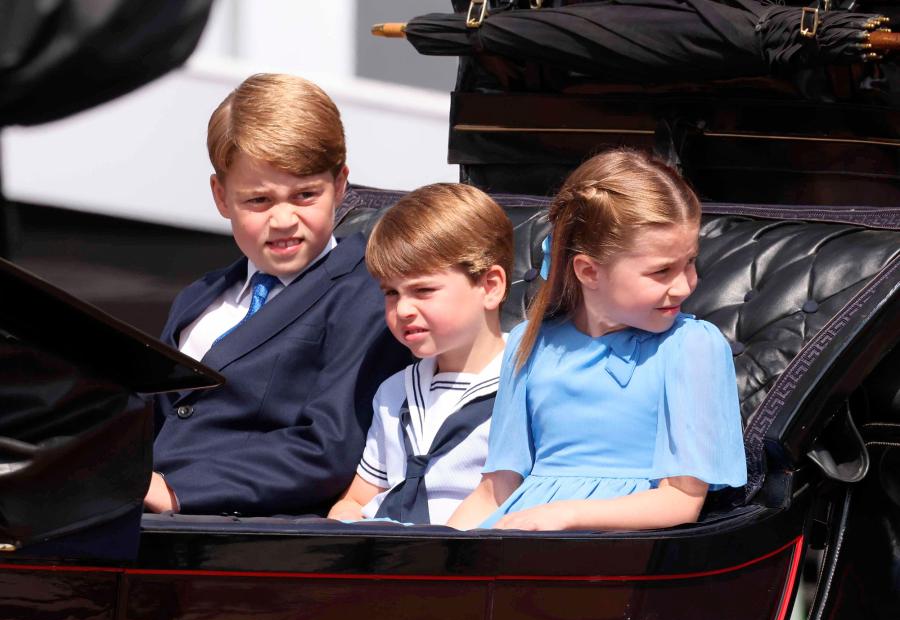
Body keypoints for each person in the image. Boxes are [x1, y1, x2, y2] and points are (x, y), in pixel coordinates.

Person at [145, 74, 408, 516]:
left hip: (247, 533)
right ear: (221, 196)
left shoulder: (370, 292)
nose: (284, 219)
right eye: (259, 201)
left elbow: (331, 445)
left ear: (341, 185)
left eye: (305, 195)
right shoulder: (199, 296)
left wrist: (176, 491)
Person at [448, 148, 746, 532]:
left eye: (689, 262)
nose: (686, 284)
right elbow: (495, 491)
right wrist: (442, 550)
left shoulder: (692, 346)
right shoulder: (529, 344)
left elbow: (682, 499)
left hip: (618, 553)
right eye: (662, 271)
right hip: (522, 542)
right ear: (589, 271)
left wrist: (565, 515)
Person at [328, 183, 511, 525]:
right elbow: (358, 498)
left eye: (423, 290)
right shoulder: (393, 392)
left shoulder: (524, 386)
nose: (404, 309)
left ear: (490, 287)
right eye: (391, 293)